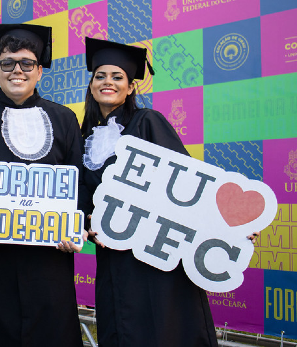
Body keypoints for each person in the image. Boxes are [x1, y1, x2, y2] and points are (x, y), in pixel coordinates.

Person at [80, 37, 220, 347]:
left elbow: (188, 182)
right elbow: (84, 198)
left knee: (163, 328)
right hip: (114, 256)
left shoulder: (148, 122)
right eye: (100, 76)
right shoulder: (85, 138)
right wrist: (88, 224)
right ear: (91, 86)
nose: (108, 82)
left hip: (157, 254)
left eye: (118, 77)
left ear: (130, 87)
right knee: (120, 326)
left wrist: (224, 224)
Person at [0, 24, 84, 347]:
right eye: (8, 63)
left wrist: (74, 225)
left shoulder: (65, 119)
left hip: (50, 262)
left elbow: (78, 185)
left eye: (27, 63)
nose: (17, 71)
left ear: (39, 71)